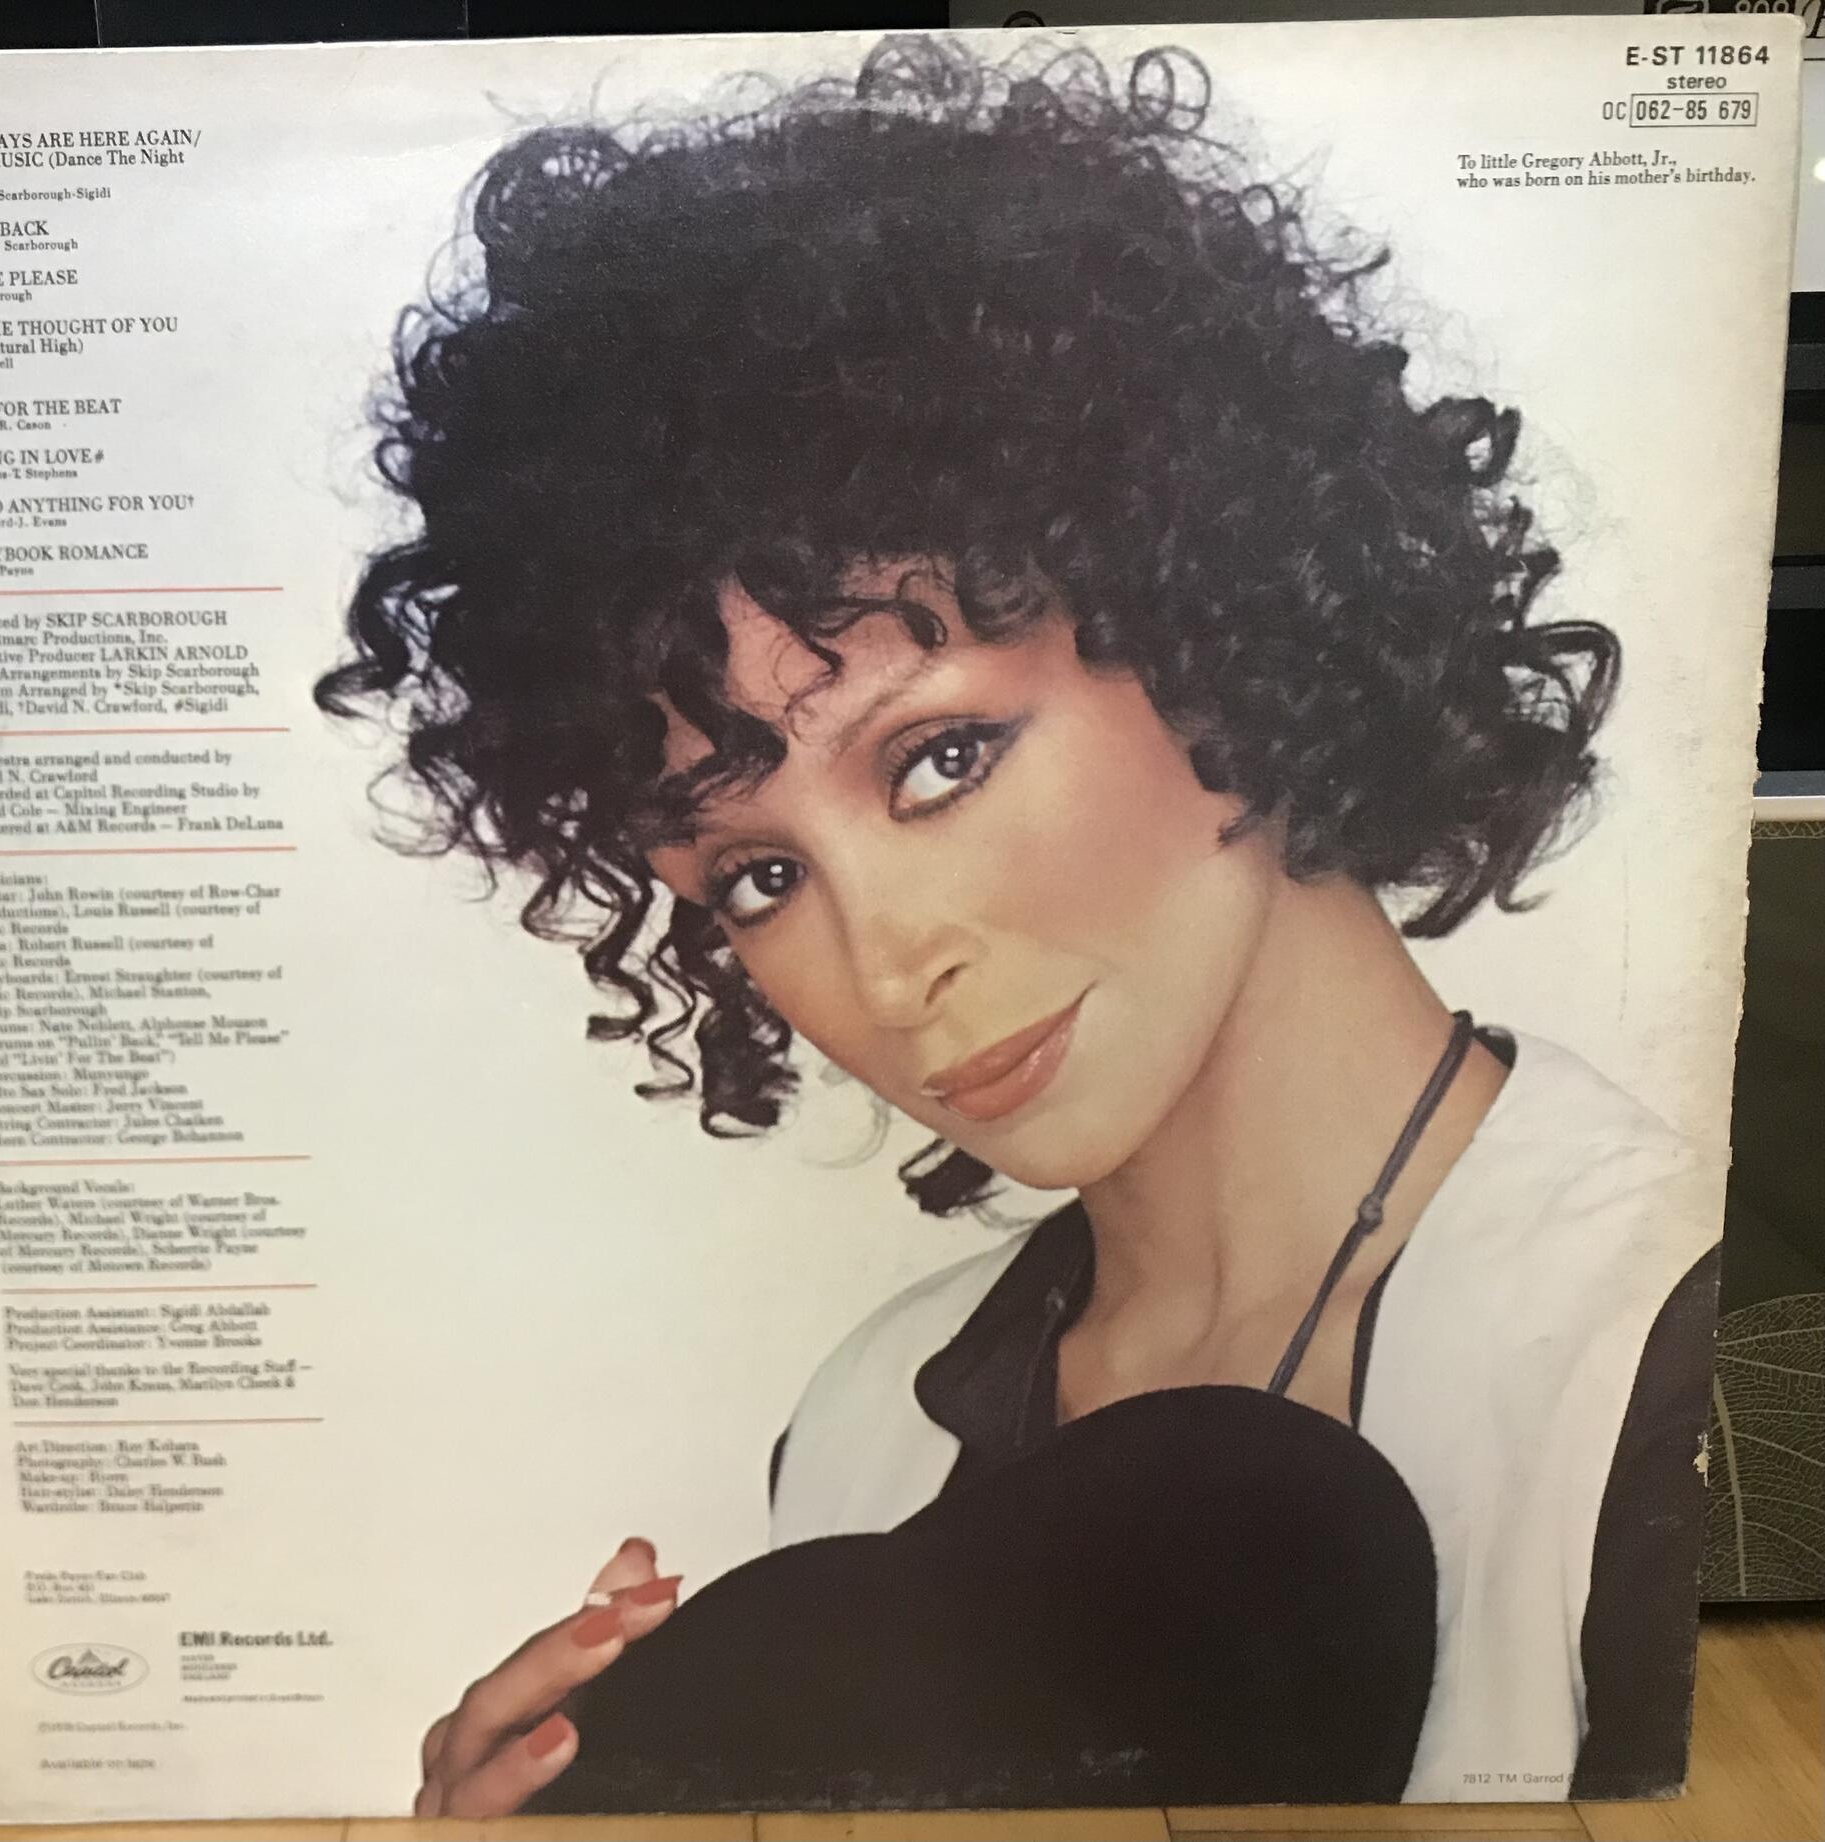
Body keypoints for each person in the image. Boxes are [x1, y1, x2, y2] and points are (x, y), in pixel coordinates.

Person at [317, 34, 1718, 1818]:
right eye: (758, 874)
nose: (887, 967)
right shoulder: (871, 1431)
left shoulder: (1661, 1349)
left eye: (940, 758)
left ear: (1212, 609)